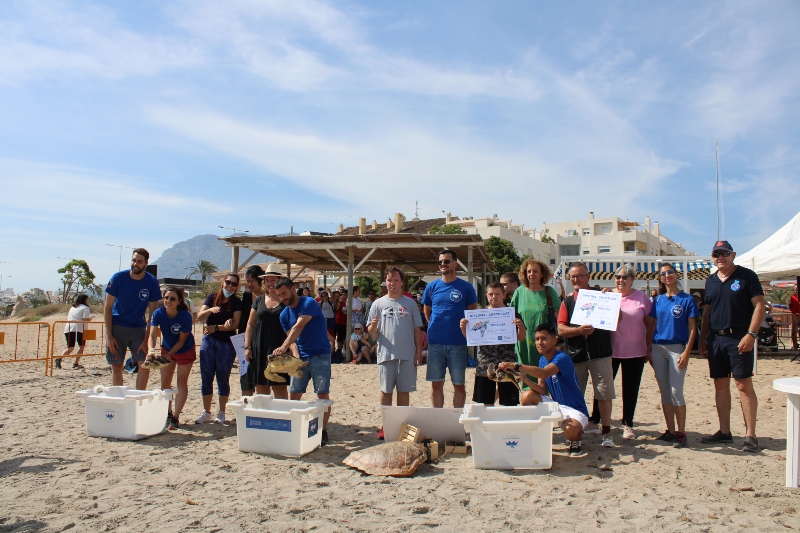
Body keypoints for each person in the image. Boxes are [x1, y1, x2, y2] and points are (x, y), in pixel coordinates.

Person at [699, 240, 765, 453]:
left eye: (724, 253)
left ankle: (750, 435)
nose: (720, 257)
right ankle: (724, 432)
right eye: (716, 254)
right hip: (716, 339)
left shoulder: (747, 276)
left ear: (733, 254)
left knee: (743, 385)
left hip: (739, 336)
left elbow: (760, 306)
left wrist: (751, 334)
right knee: (720, 384)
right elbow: (707, 311)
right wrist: (703, 338)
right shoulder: (710, 281)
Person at [499, 324, 590, 457]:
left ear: (555, 340)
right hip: (556, 406)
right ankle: (537, 432)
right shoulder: (542, 360)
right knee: (526, 396)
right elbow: (541, 390)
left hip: (575, 409)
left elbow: (543, 373)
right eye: (537, 339)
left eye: (543, 338)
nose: (539, 342)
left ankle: (576, 439)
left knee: (570, 431)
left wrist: (517, 366)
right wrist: (525, 379)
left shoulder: (562, 358)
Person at [557, 262, 616, 448]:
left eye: (580, 275)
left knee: (604, 394)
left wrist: (614, 301)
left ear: (588, 276)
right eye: (573, 276)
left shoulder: (602, 295)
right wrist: (578, 330)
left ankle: (606, 433)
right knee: (575, 397)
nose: (576, 279)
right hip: (576, 356)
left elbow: (617, 319)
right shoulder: (567, 301)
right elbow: (560, 328)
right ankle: (575, 434)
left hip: (601, 353)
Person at [273, 277, 333, 445]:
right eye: (279, 295)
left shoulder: (309, 303)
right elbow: (291, 338)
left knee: (322, 393)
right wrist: (295, 355)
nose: (282, 298)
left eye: (284, 293)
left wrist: (283, 347)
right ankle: (294, 427)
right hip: (301, 356)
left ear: (293, 289)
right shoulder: (284, 314)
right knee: (294, 393)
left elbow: (298, 327)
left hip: (320, 354)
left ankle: (323, 430)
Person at [368, 267, 424, 439]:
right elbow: (371, 332)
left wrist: (419, 352)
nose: (392, 284)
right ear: (386, 282)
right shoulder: (378, 304)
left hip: (407, 354)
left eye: (396, 280)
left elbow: (417, 330)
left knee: (404, 391)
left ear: (402, 282)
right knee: (386, 391)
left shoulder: (410, 303)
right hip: (385, 353)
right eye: (389, 280)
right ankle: (386, 425)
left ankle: (401, 426)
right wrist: (373, 327)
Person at [650, 263, 700, 448]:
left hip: (677, 348)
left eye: (670, 272)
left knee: (676, 391)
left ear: (676, 274)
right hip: (657, 348)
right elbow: (652, 325)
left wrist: (687, 351)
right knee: (664, 392)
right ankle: (670, 431)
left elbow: (693, 328)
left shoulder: (687, 300)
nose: (667, 275)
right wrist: (649, 349)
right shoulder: (658, 300)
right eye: (663, 274)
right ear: (661, 278)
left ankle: (681, 432)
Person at [422, 249, 478, 408]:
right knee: (436, 385)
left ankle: (456, 422)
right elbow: (427, 310)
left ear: (455, 263)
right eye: (440, 262)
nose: (442, 264)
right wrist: (433, 324)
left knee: (458, 385)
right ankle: (438, 419)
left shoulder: (466, 287)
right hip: (435, 342)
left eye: (446, 261)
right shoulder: (431, 287)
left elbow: (472, 313)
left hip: (458, 343)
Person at [104, 248, 162, 389]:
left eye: (139, 262)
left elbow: (153, 316)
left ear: (146, 263)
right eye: (134, 260)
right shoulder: (118, 278)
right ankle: (118, 399)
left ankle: (139, 398)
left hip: (138, 328)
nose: (136, 264)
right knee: (117, 366)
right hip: (117, 327)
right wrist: (109, 336)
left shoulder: (151, 282)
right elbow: (107, 307)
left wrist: (146, 340)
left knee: (144, 364)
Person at [461, 281, 525, 407]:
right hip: (485, 361)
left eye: (497, 294)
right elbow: (471, 338)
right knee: (486, 400)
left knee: (509, 401)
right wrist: (463, 327)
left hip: (507, 360)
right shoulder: (479, 315)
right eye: (491, 294)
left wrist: (521, 326)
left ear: (503, 295)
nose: (494, 297)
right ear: (486, 295)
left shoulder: (512, 313)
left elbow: (521, 338)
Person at [608, 265, 654, 440]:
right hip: (610, 351)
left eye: (625, 277)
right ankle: (597, 419)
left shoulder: (642, 297)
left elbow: (650, 324)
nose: (621, 280)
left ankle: (628, 423)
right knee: (604, 388)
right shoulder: (608, 295)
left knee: (630, 389)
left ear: (632, 279)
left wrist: (648, 347)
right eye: (618, 277)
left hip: (635, 351)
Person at [195, 273, 243, 424]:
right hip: (209, 342)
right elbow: (200, 317)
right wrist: (210, 310)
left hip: (226, 344)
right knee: (206, 377)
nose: (230, 286)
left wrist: (216, 327)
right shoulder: (211, 298)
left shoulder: (236, 302)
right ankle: (206, 411)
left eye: (234, 284)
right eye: (228, 282)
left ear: (237, 287)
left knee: (223, 377)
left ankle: (221, 412)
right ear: (223, 282)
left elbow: (235, 324)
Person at [147, 286, 196, 430]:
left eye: (172, 299)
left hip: (185, 349)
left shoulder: (185, 315)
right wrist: (151, 349)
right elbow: (152, 334)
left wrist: (169, 354)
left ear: (179, 301)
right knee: (165, 381)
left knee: (181, 382)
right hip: (167, 347)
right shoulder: (158, 313)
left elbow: (181, 340)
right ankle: (167, 413)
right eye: (166, 298)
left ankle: (176, 417)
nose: (168, 301)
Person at [241, 263, 291, 398]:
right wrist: (247, 347)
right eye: (267, 280)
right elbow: (250, 325)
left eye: (273, 280)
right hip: (259, 347)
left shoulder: (286, 301)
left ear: (279, 281)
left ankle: (281, 418)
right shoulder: (259, 301)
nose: (270, 283)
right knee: (260, 385)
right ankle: (264, 417)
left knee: (279, 386)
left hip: (279, 349)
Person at [510, 258, 561, 390]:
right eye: (529, 271)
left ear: (542, 274)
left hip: (544, 345)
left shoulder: (549, 292)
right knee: (524, 381)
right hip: (523, 345)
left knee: (544, 382)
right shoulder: (519, 292)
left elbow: (558, 318)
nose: (531, 274)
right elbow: (510, 316)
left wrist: (560, 341)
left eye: (535, 271)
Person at [56, 293, 93, 370]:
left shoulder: (73, 307)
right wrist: (90, 319)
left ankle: (59, 358)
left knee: (70, 347)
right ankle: (76, 363)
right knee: (82, 347)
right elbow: (85, 318)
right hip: (80, 328)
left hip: (69, 327)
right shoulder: (85, 308)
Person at [334, 292, 348, 356]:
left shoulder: (348, 302)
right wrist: (339, 302)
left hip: (346, 322)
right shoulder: (339, 302)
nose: (344, 296)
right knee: (339, 337)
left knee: (345, 336)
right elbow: (336, 309)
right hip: (339, 321)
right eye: (343, 295)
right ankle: (339, 349)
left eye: (345, 295)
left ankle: (344, 348)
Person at [790, 284, 799, 351]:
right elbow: (790, 306)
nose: (797, 290)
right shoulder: (792, 297)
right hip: (795, 316)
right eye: (796, 289)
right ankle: (794, 345)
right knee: (794, 331)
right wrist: (794, 313)